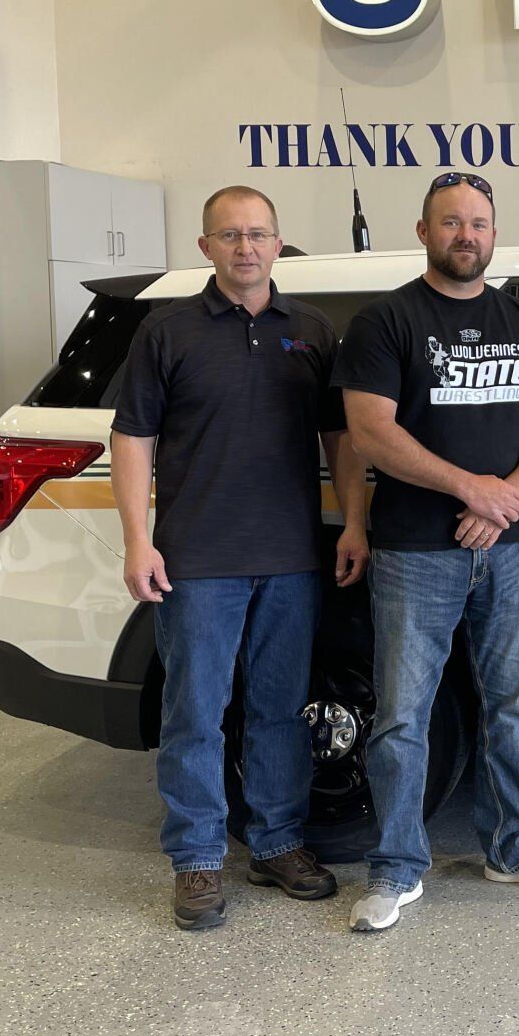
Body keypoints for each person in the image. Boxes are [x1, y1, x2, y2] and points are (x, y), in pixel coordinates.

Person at [111, 185, 370, 931]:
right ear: (206, 247)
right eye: (230, 235)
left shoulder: (312, 330)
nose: (246, 248)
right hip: (197, 560)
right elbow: (132, 437)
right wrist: (137, 539)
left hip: (291, 557)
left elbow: (340, 439)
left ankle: (277, 844)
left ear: (279, 242)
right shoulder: (167, 331)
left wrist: (354, 522)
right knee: (195, 713)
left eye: (258, 234)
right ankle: (196, 859)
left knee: (281, 711)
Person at [334, 170, 519, 933]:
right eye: (450, 222)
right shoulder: (386, 321)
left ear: (494, 234)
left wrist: (505, 498)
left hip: (510, 548)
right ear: (423, 231)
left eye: (477, 223)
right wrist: (473, 489)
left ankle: (513, 847)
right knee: (402, 716)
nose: (465, 235)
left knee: (512, 706)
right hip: (415, 551)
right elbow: (370, 431)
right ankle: (395, 867)